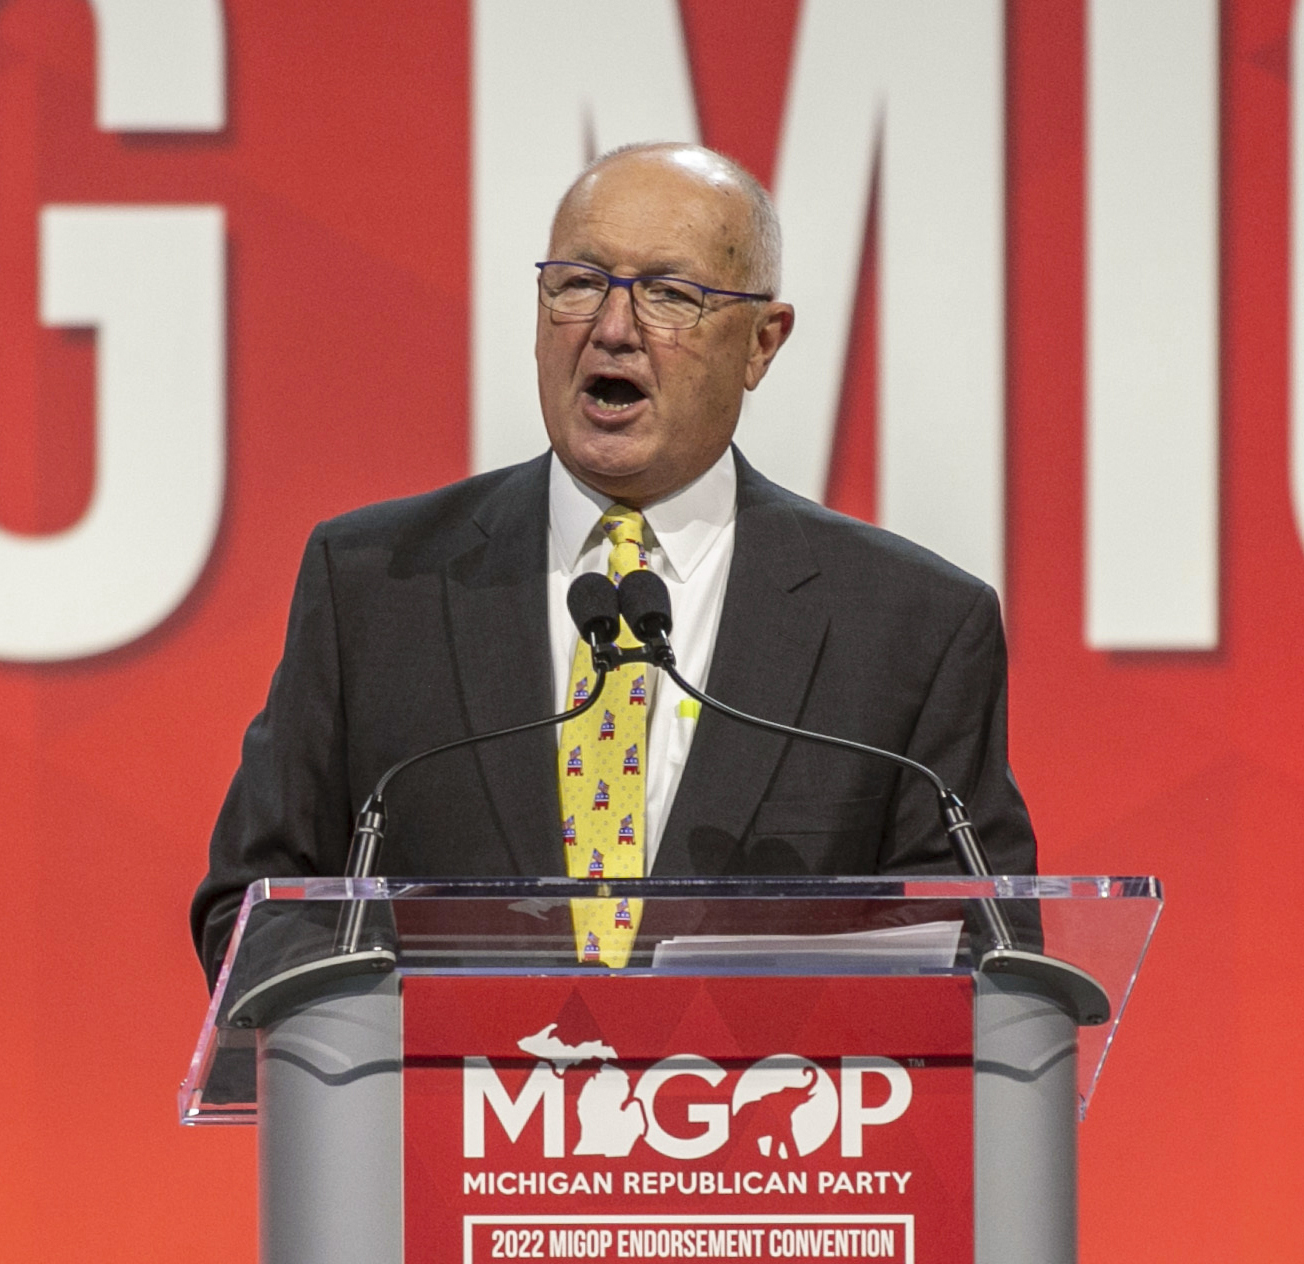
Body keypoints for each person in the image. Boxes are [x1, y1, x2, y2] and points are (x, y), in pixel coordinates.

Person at [190, 142, 1035, 982]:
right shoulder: (375, 587)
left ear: (761, 344)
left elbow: (976, 950)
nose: (614, 329)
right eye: (580, 283)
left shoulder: (911, 628)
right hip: (442, 1113)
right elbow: (253, 913)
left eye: (671, 294)